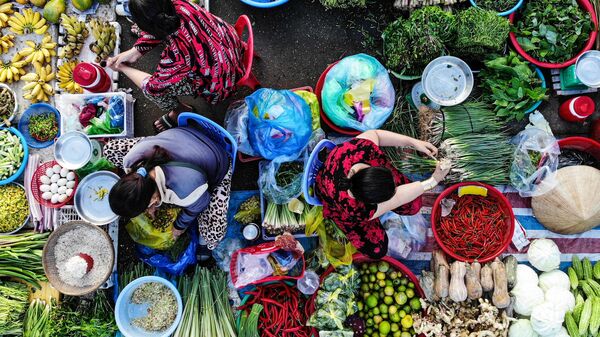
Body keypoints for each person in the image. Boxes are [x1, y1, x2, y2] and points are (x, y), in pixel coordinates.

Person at [106, 0, 245, 132]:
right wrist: (133, 52)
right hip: (227, 41)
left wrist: (122, 68)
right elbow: (163, 29)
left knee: (153, 93)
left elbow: (152, 86)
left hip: (221, 79)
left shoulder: (176, 56)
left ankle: (180, 109)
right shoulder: (178, 4)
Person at [315, 129, 449, 259]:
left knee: (414, 204)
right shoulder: (357, 210)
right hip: (334, 201)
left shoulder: (359, 150)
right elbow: (398, 197)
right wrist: (433, 181)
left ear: (373, 168)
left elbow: (377, 135)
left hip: (342, 172)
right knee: (377, 249)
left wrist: (413, 142)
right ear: (371, 202)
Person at [105, 122, 232, 249]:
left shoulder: (184, 189)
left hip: (218, 160)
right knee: (110, 150)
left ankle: (209, 241)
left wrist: (179, 226)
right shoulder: (130, 160)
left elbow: (201, 204)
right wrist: (149, 204)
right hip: (182, 137)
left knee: (213, 236)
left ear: (153, 200)